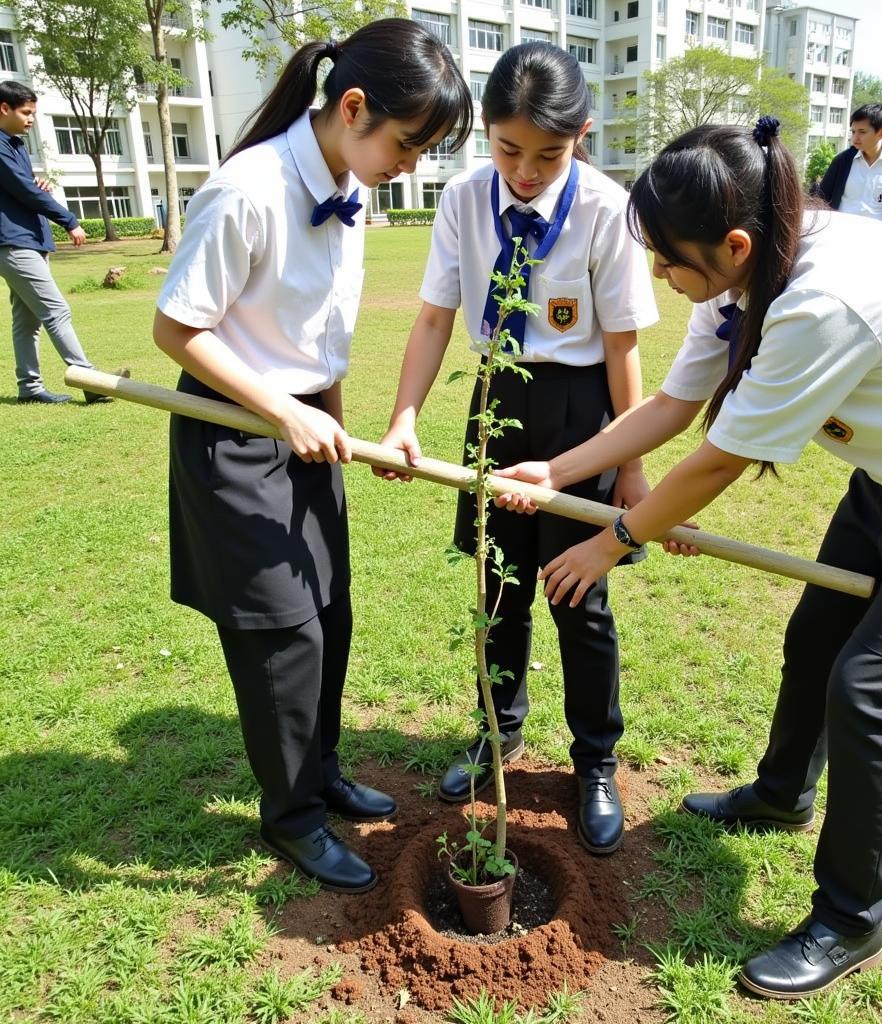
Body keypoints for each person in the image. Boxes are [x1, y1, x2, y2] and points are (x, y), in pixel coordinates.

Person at [494, 119, 882, 996]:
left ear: (732, 242)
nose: (664, 277)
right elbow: (673, 404)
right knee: (816, 642)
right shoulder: (745, 272)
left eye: (671, 260)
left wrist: (612, 539)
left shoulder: (823, 298)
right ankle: (782, 794)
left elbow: (717, 460)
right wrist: (556, 468)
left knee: (867, 686)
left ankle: (851, 919)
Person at [152, 21, 473, 893]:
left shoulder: (351, 189)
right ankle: (290, 816)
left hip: (307, 432)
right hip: (237, 435)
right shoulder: (246, 189)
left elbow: (319, 340)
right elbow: (177, 329)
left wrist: (341, 430)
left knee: (329, 614)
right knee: (280, 638)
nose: (411, 164)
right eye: (409, 144)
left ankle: (321, 773)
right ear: (354, 107)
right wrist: (281, 410)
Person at [376, 42, 659, 855]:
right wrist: (403, 416)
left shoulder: (608, 209)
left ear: (583, 136)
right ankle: (496, 734)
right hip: (497, 398)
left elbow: (621, 347)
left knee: (579, 597)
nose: (526, 172)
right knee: (498, 589)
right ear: (486, 136)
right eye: (508, 150)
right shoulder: (464, 199)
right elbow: (434, 317)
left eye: (549, 154)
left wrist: (629, 465)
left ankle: (595, 762)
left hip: (582, 415)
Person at [0, 80, 110, 404]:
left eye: (33, 113)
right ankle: (90, 380)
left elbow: (22, 188)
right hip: (14, 243)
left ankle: (29, 388)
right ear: (4, 108)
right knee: (56, 310)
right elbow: (24, 191)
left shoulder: (14, 144)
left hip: (29, 240)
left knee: (27, 319)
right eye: (26, 112)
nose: (31, 119)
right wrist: (69, 220)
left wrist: (35, 183)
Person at [818, 102, 882, 228]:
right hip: (842, 235)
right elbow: (822, 199)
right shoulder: (842, 160)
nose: (855, 138)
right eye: (853, 132)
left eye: (862, 132)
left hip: (880, 239)